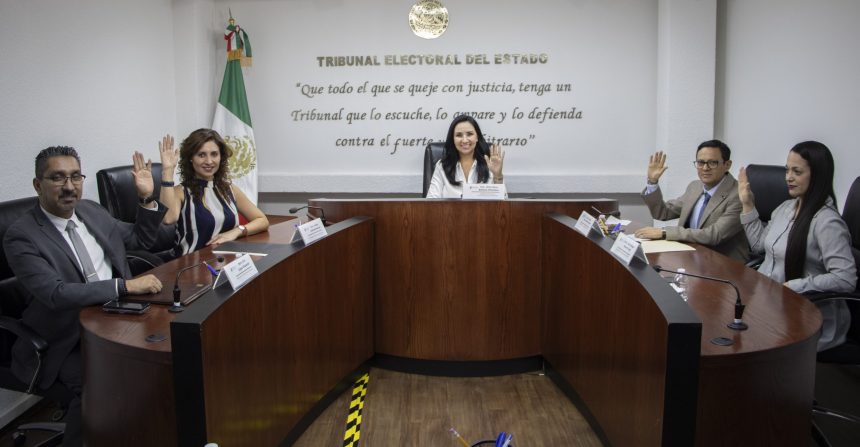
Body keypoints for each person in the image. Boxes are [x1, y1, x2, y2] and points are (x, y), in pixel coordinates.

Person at [3, 147, 167, 447]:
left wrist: (146, 199)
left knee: (158, 363)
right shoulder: (21, 235)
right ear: (38, 185)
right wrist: (124, 286)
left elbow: (141, 239)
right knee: (101, 385)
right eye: (57, 178)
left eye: (75, 176)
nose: (69, 186)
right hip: (64, 338)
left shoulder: (91, 211)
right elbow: (55, 293)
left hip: (115, 317)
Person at [739, 141, 856, 351]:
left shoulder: (827, 222)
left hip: (807, 316)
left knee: (743, 342)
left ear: (817, 176)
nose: (788, 177)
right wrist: (747, 204)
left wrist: (793, 286)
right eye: (787, 170)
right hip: (771, 303)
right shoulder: (785, 208)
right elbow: (758, 246)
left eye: (797, 171)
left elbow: (845, 278)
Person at [157, 129, 268, 256]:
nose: (209, 161)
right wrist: (167, 171)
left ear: (221, 157)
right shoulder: (180, 192)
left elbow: (262, 220)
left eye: (214, 154)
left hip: (227, 261)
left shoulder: (229, 189)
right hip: (191, 263)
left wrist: (238, 231)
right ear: (191, 158)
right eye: (201, 155)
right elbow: (168, 219)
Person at [634, 140, 749, 261]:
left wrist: (664, 232)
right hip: (689, 255)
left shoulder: (739, 195)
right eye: (701, 162)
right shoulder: (695, 186)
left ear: (727, 165)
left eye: (712, 163)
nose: (705, 168)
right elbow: (663, 213)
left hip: (722, 262)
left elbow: (715, 235)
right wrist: (652, 182)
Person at [426, 115, 505, 199]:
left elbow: (503, 203)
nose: (464, 140)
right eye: (459, 135)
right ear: (453, 139)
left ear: (477, 137)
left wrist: (498, 176)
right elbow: (431, 201)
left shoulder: (490, 164)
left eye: (469, 134)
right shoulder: (442, 166)